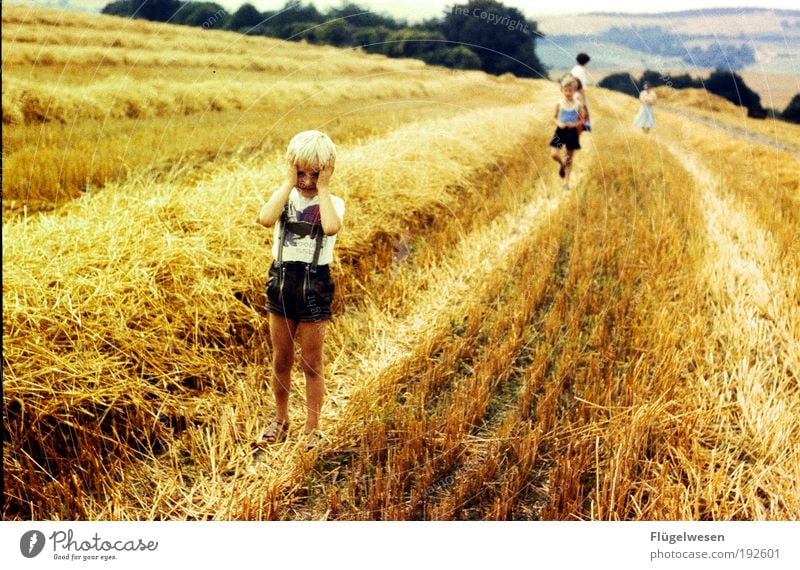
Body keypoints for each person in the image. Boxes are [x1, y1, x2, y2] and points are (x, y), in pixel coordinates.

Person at [257, 130, 345, 449]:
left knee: (311, 362)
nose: (307, 180)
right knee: (281, 359)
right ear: (290, 167)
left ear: (327, 171)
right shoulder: (285, 198)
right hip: (281, 282)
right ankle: (280, 419)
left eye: (315, 173)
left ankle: (312, 427)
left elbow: (332, 227)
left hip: (315, 286)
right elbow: (266, 218)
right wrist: (287, 182)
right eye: (301, 172)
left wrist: (324, 188)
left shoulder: (332, 203)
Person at [550, 74, 587, 191]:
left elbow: (583, 119)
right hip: (560, 132)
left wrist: (575, 124)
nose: (568, 93)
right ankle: (562, 164)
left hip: (572, 133)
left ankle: (566, 183)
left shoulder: (578, 105)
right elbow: (553, 117)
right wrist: (558, 123)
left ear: (574, 90)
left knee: (569, 158)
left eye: (570, 90)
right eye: (565, 90)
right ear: (562, 90)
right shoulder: (559, 103)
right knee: (554, 154)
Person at [570, 52, 592, 132]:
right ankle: (583, 126)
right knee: (581, 111)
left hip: (571, 92)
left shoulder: (574, 69)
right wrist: (582, 99)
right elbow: (582, 86)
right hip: (578, 94)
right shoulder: (581, 71)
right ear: (586, 62)